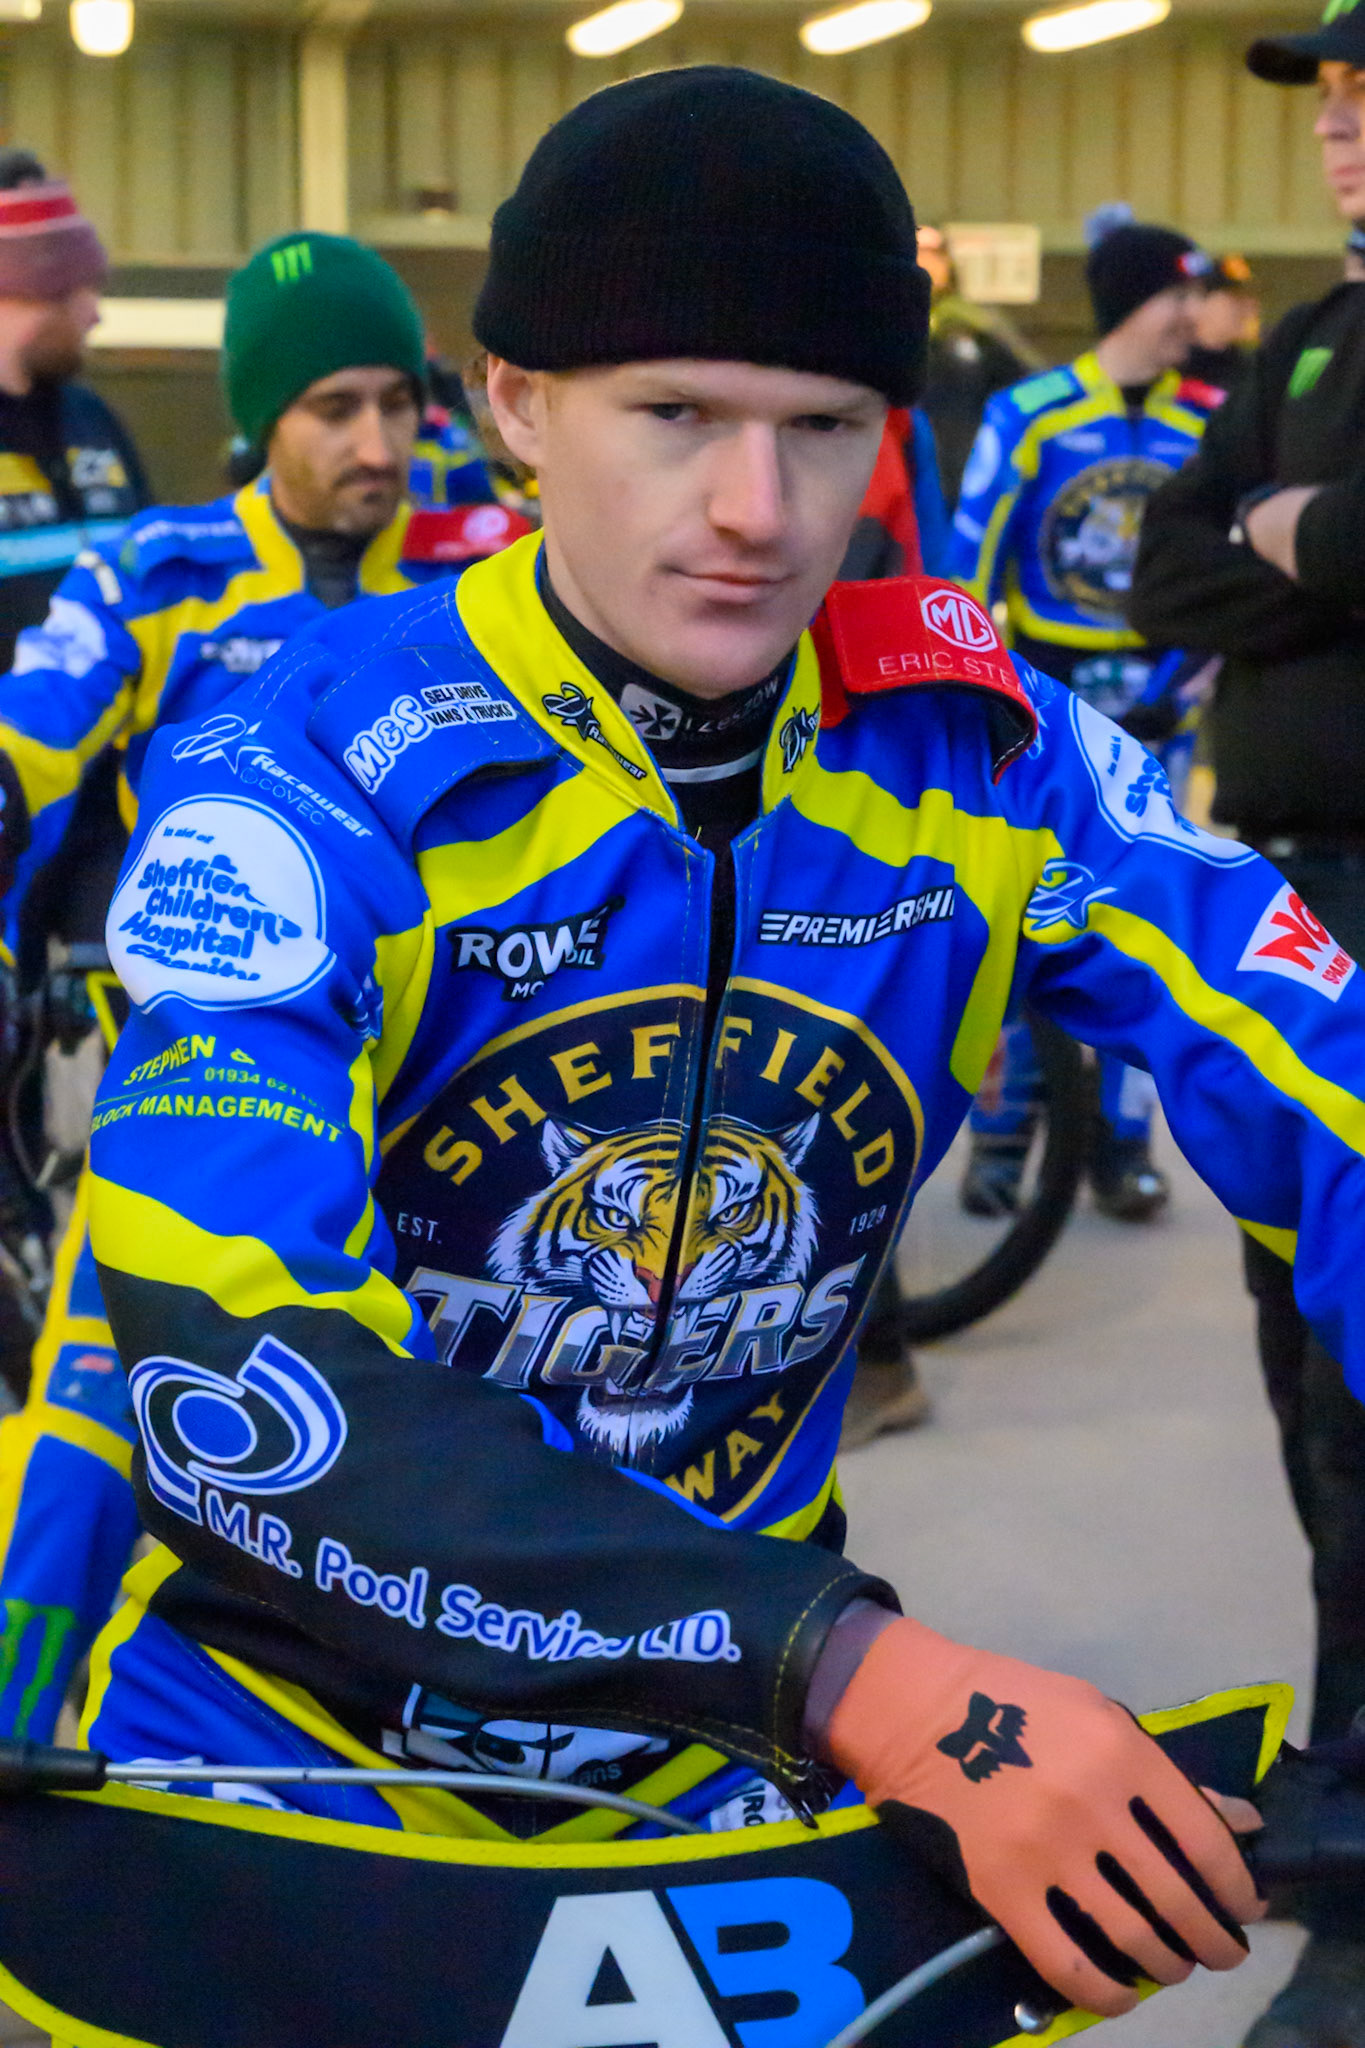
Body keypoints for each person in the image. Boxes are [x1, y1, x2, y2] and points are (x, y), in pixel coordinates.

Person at [88, 64, 1365, 2027]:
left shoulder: (978, 744)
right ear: (513, 407)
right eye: (672, 415)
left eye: (822, 426)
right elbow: (242, 1376)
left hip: (720, 1764)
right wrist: (851, 1668)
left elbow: (1326, 1081)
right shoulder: (304, 770)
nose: (755, 514)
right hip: (290, 1755)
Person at [0, 227, 479, 1744]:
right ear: (261, 416)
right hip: (202, 1102)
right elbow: (25, 748)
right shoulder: (156, 574)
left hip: (444, 1111)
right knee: (78, 1458)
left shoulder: (493, 583)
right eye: (335, 408)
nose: (378, 445)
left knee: (407, 1479)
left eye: (399, 406)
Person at [1130, 21, 1365, 2041]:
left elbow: (1287, 552)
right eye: (1330, 100)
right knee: (1305, 1356)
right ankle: (1352, 1768)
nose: (1346, 130)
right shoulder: (1294, 343)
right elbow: (1159, 559)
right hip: (1292, 900)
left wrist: (1297, 538)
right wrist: (1300, 538)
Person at [948, 214, 1218, 1223]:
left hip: (1160, 702)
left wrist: (1182, 685)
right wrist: (983, 696)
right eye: (1177, 295)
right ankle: (1004, 1135)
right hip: (1044, 706)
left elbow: (1230, 575)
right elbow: (966, 571)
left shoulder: (1210, 419)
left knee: (1148, 925)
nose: (1193, 315)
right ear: (1132, 304)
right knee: (1015, 920)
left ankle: (1121, 1142)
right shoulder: (1033, 413)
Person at [0, 149, 148, 674]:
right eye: (86, 291)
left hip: (108, 745)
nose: (96, 315)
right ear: (36, 289)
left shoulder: (94, 422)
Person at [916, 223, 1041, 508]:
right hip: (900, 469)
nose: (925, 261)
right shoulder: (880, 323)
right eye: (916, 251)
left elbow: (1025, 381)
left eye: (934, 252)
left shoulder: (975, 324)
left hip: (961, 470)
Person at [1186, 253, 1262, 395]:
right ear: (1199, 302)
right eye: (1236, 297)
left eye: (1252, 297)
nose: (1251, 307)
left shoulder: (1254, 374)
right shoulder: (1162, 371)